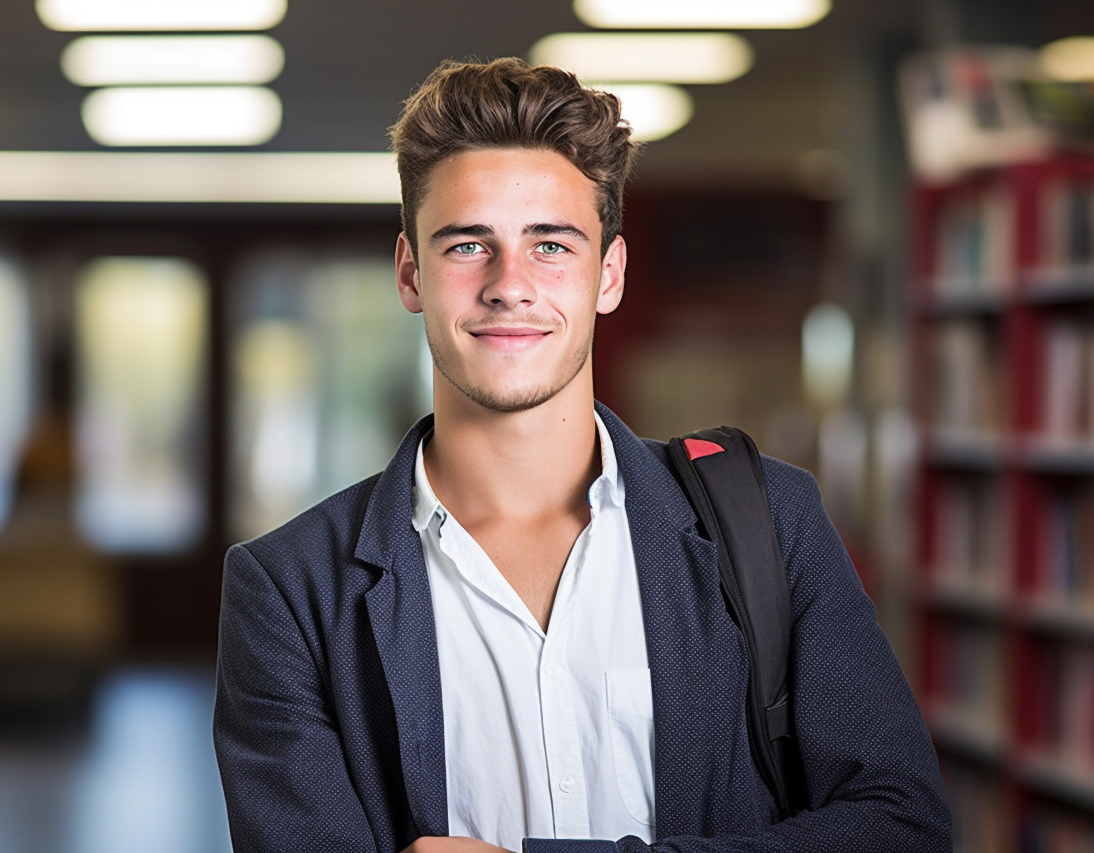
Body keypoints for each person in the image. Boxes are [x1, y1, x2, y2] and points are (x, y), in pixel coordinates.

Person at [213, 57, 951, 853]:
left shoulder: (768, 522)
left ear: (610, 273)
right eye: (467, 245)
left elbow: (899, 825)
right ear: (409, 272)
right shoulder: (289, 592)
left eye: (552, 246)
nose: (509, 284)